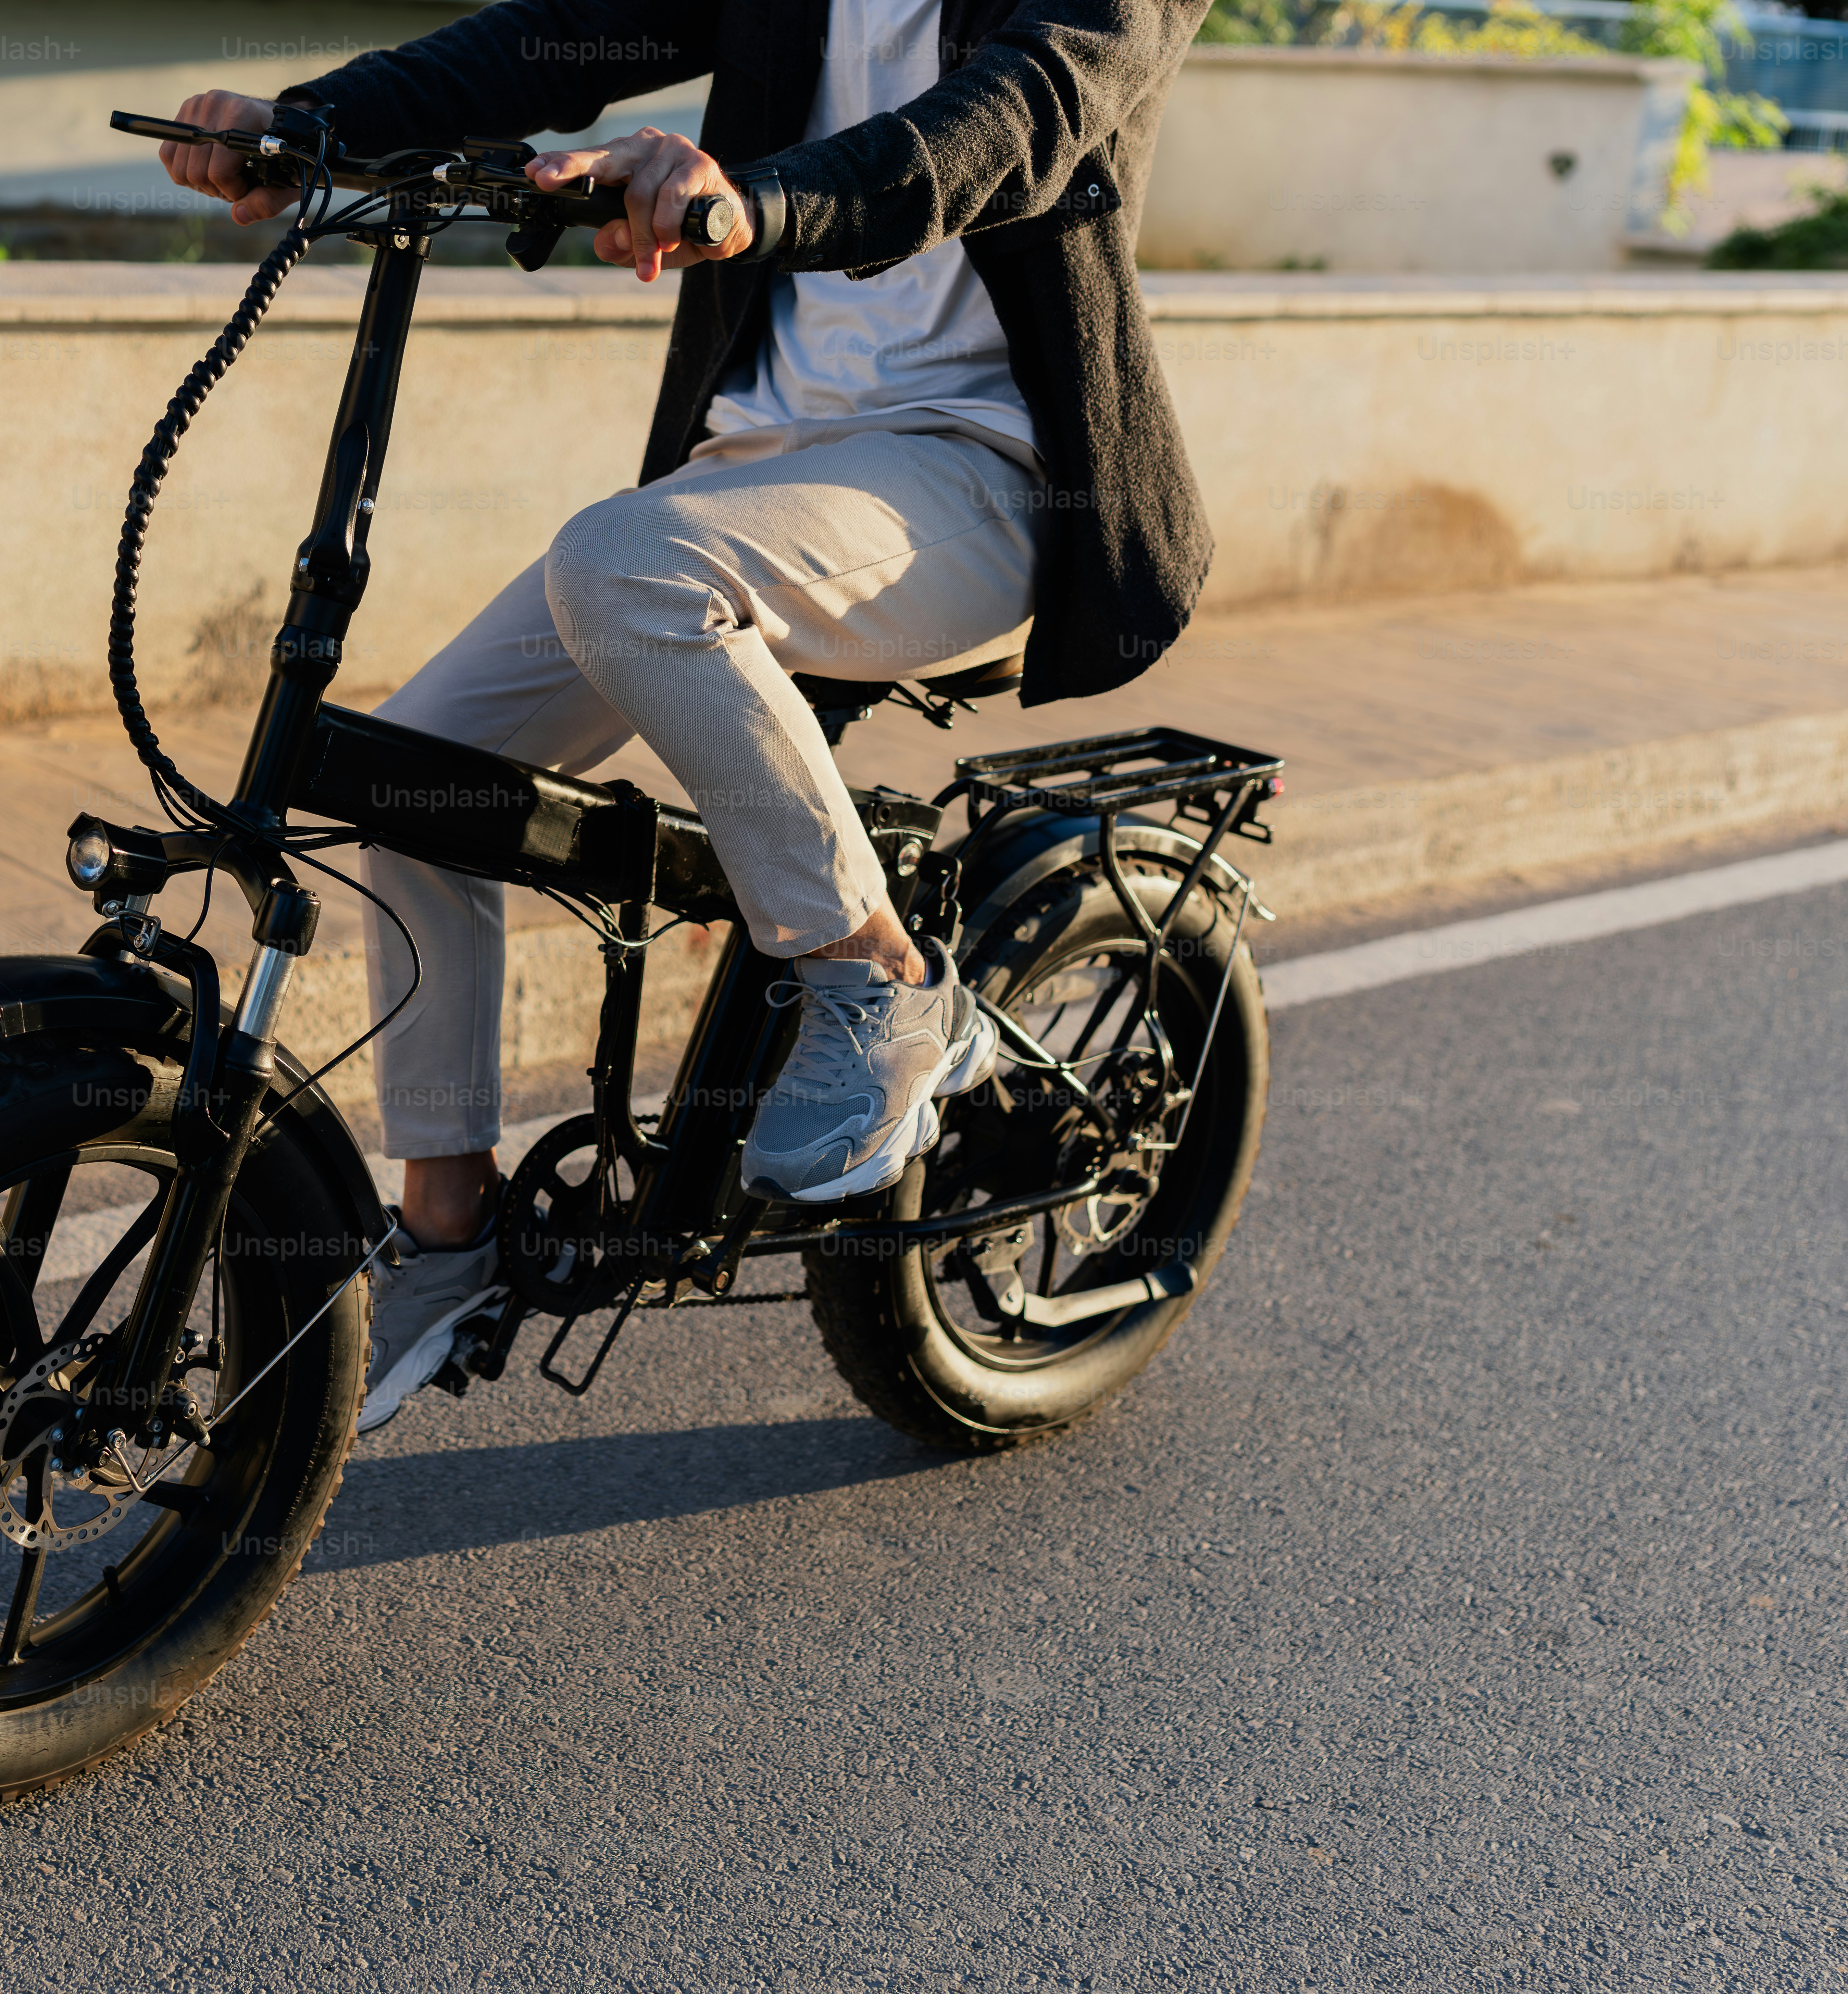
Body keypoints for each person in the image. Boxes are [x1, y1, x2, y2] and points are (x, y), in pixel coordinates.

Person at [154, 0, 1216, 1431]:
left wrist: (752, 201)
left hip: (986, 473)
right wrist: (306, 123)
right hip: (757, 462)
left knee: (624, 563)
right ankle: (450, 1234)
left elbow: (1001, 130)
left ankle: (884, 980)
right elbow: (553, 39)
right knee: (414, 780)